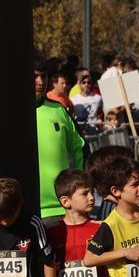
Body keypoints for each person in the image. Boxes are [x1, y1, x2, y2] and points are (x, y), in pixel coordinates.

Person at [36, 92, 86, 220]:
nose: (40, 82)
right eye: (36, 76)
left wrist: (80, 189)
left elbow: (80, 148)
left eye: (43, 76)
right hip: (19, 211)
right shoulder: (6, 109)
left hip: (62, 210)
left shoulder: (59, 109)